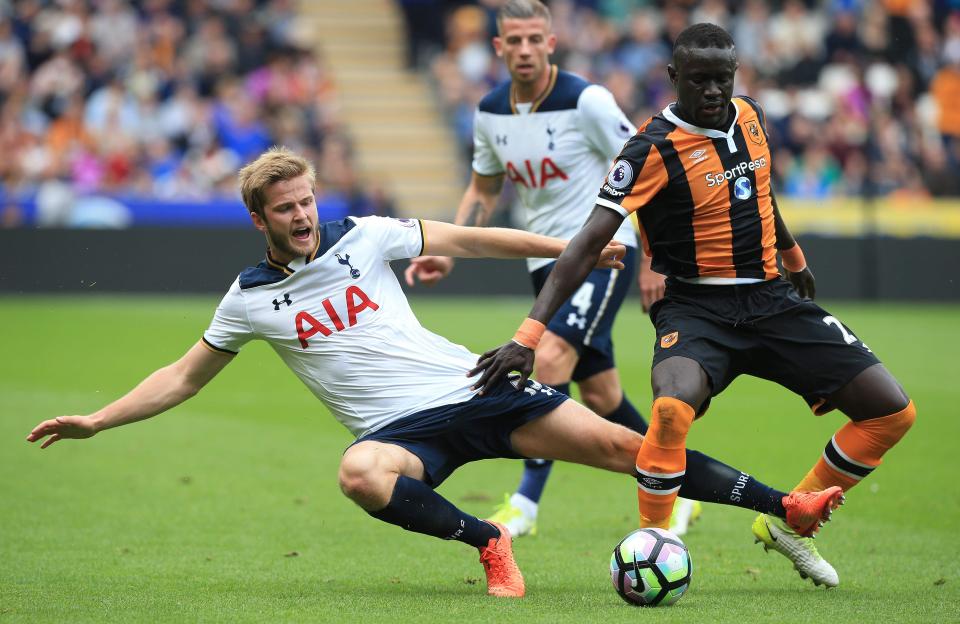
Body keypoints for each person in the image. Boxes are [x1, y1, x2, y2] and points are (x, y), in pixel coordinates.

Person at [27, 146, 843, 599]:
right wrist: (98, 419)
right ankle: (489, 542)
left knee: (624, 445)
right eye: (286, 209)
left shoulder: (366, 235)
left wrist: (571, 247)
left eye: (308, 200)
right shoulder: (246, 302)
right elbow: (182, 376)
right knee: (358, 472)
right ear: (259, 220)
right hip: (401, 436)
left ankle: (786, 506)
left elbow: (475, 239)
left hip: (476, 387)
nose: (304, 215)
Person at [470, 23, 915, 589]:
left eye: (722, 79)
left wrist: (795, 256)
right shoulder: (649, 148)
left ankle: (792, 525)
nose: (712, 91)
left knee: (891, 412)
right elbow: (586, 243)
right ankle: (653, 541)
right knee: (671, 409)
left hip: (772, 298)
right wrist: (528, 334)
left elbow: (760, 190)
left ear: (735, 76)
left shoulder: (750, 115)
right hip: (696, 310)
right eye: (699, 80)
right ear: (674, 78)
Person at [403, 0, 703, 539]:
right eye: (512, 41)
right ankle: (674, 485)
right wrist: (448, 247)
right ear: (498, 47)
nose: (523, 50)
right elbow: (484, 187)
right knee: (603, 396)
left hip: (603, 253)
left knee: (550, 355)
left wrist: (653, 261)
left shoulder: (586, 101)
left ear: (550, 43)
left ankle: (525, 504)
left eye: (532, 40)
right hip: (546, 264)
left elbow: (650, 169)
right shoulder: (491, 110)